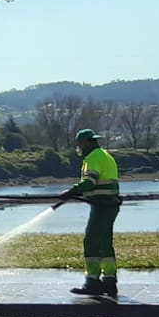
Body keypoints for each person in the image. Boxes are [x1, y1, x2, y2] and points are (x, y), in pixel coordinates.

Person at [52, 128, 121, 299]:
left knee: (91, 241)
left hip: (102, 205)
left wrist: (71, 191)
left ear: (86, 142)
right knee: (105, 242)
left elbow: (89, 182)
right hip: (109, 204)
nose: (78, 148)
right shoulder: (105, 155)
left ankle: (92, 282)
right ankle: (109, 282)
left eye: (79, 144)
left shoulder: (92, 158)